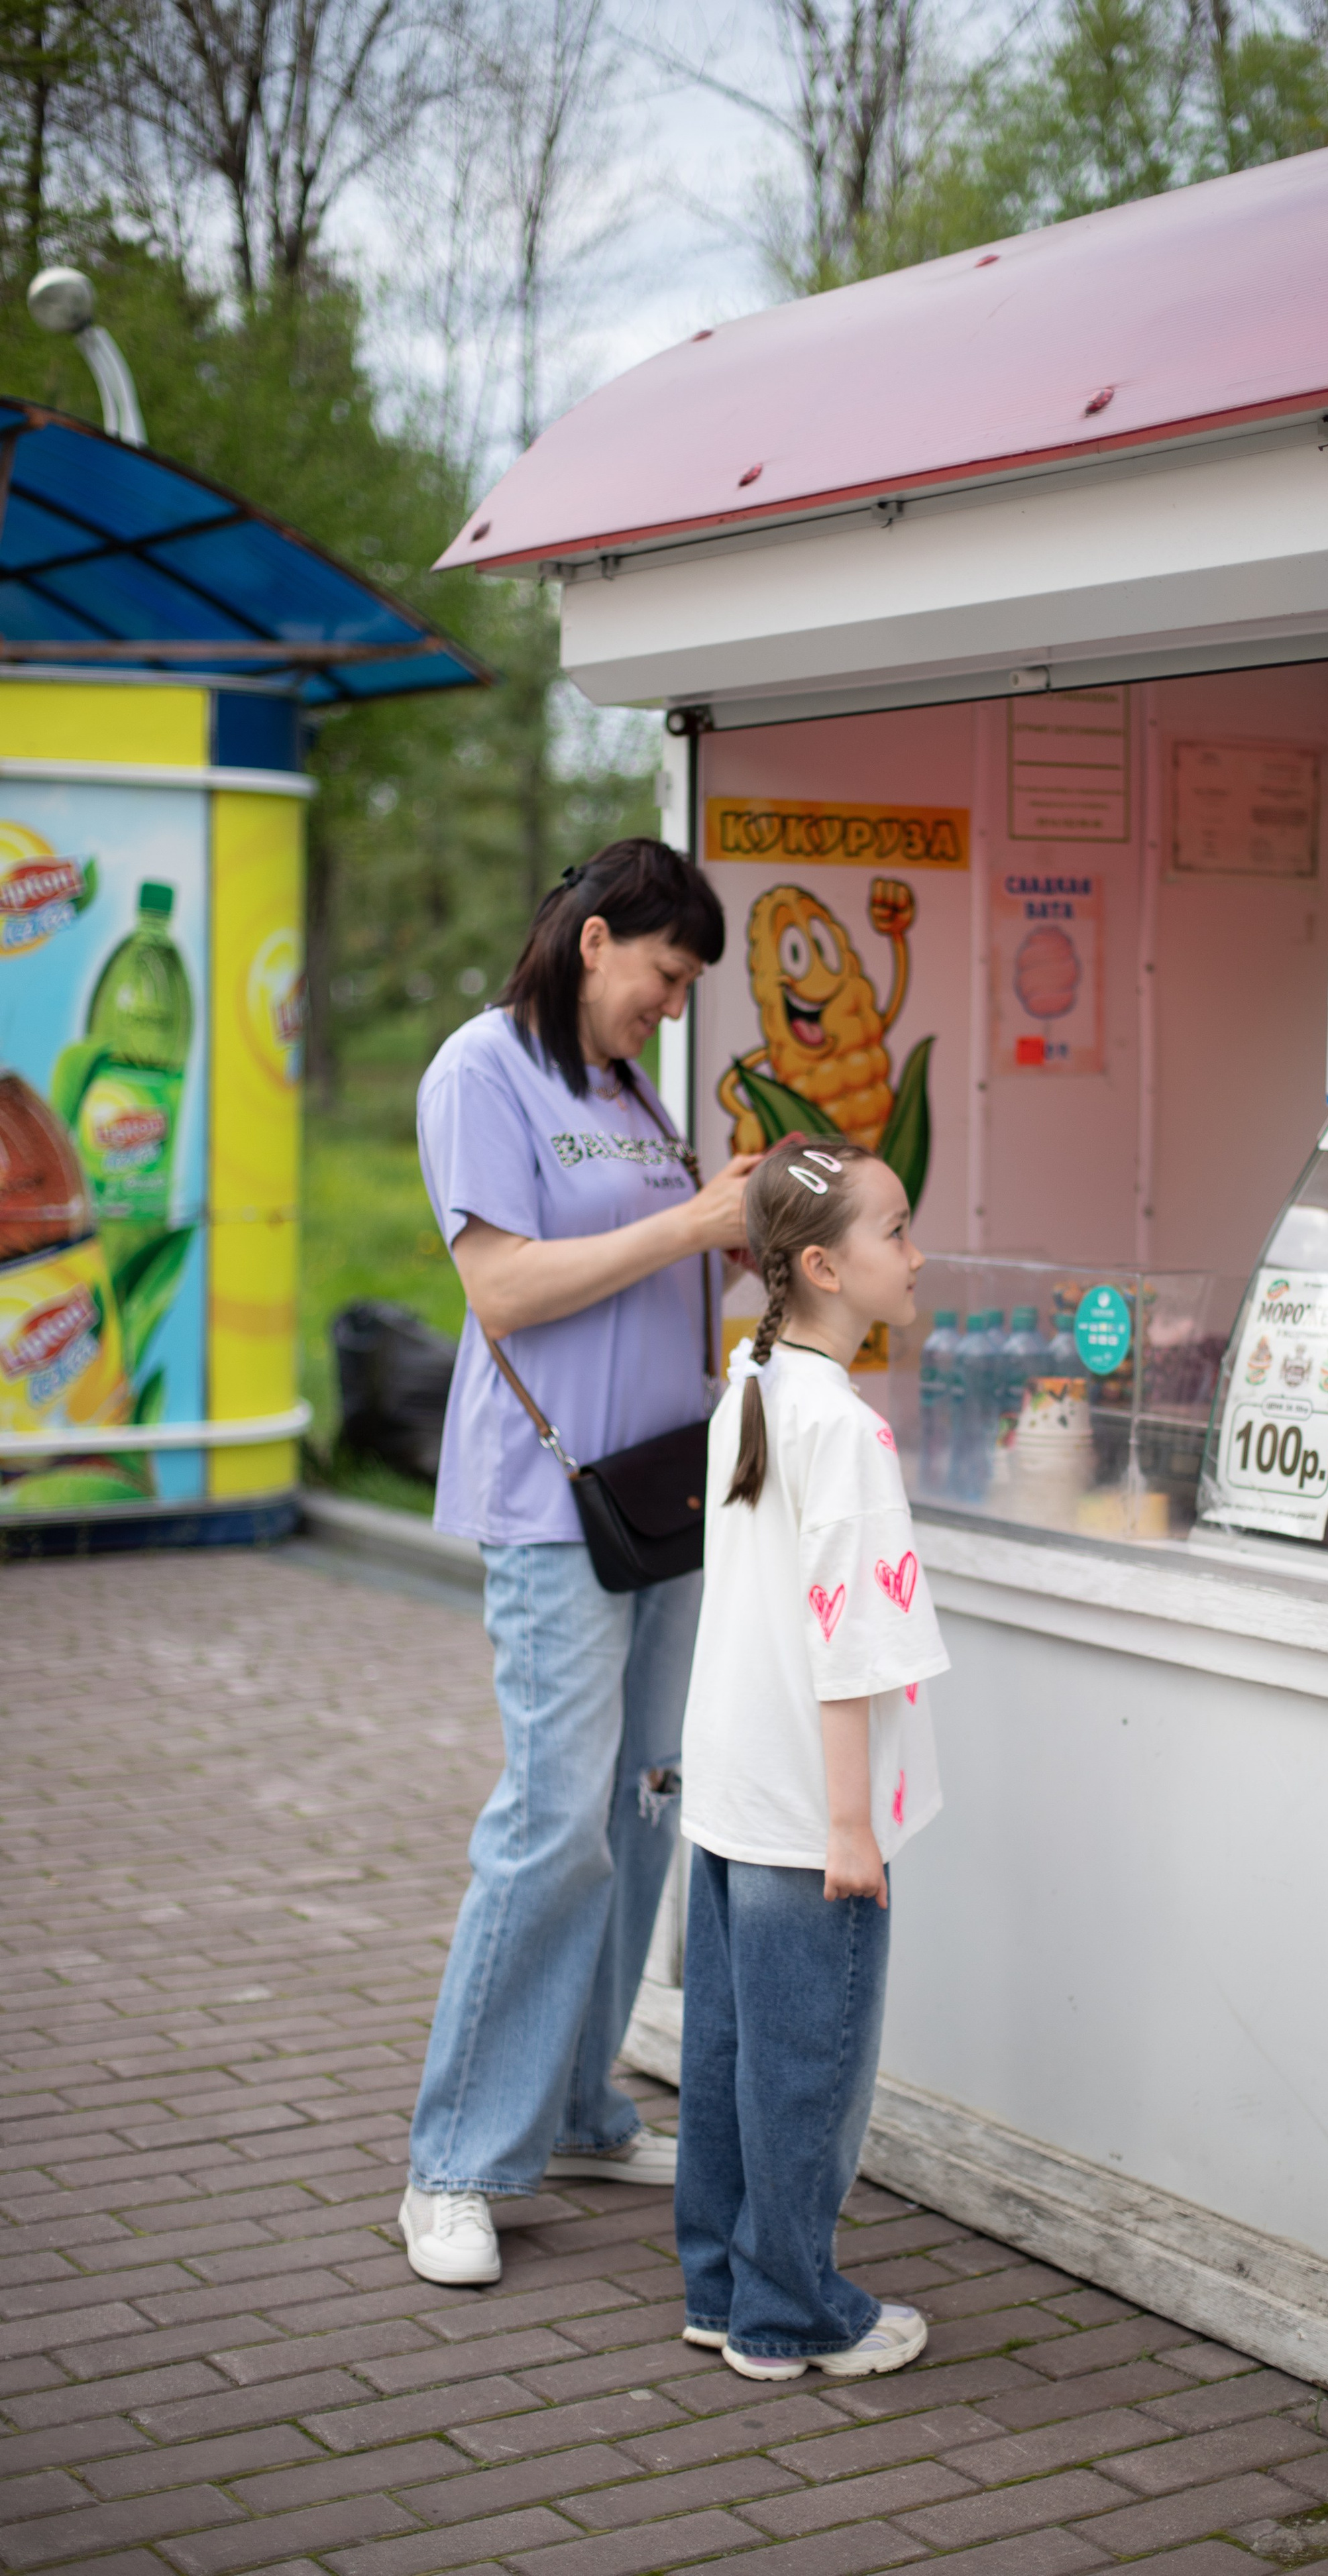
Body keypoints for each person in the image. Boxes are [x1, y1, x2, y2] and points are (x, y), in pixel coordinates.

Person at [399, 839, 758, 2290]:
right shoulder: (479, 1072)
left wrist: (752, 1233)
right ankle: (453, 2165)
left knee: (642, 1809)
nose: (670, 1009)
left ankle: (576, 2111)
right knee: (554, 1824)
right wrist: (687, 1219)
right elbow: (502, 1289)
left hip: (664, 1501)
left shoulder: (624, 1090)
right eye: (665, 980)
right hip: (554, 1505)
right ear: (597, 939)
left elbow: (653, 1275)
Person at [674, 1134, 949, 2379]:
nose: (918, 1253)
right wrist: (854, 1830)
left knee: (730, 2057)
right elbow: (852, 1653)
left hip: (735, 1795)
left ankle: (724, 2286)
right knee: (808, 2075)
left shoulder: (754, 1383)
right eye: (899, 1233)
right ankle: (791, 2315)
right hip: (807, 1814)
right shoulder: (844, 1430)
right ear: (828, 1267)